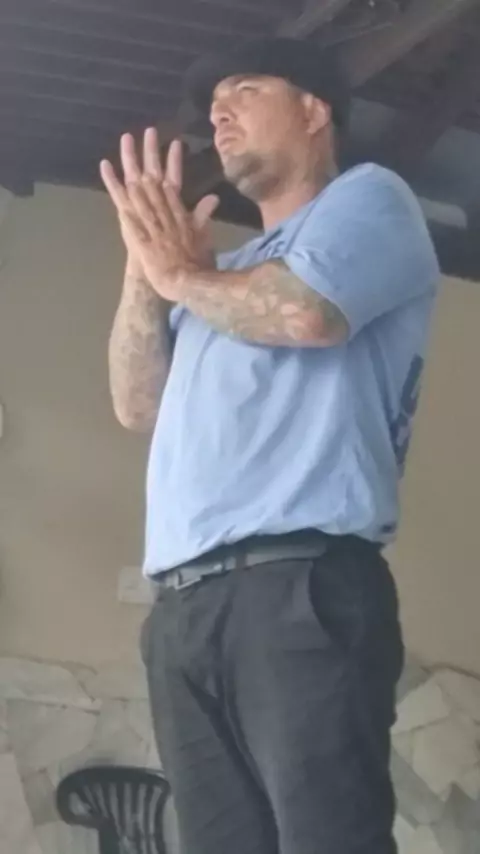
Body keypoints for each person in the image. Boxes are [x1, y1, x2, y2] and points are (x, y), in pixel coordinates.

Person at [101, 36, 439, 854]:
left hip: (300, 585)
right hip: (183, 607)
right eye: (213, 106)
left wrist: (183, 278)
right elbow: (136, 404)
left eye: (245, 91)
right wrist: (145, 269)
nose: (218, 114)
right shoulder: (219, 278)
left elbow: (308, 315)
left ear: (315, 110)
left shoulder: (371, 200)